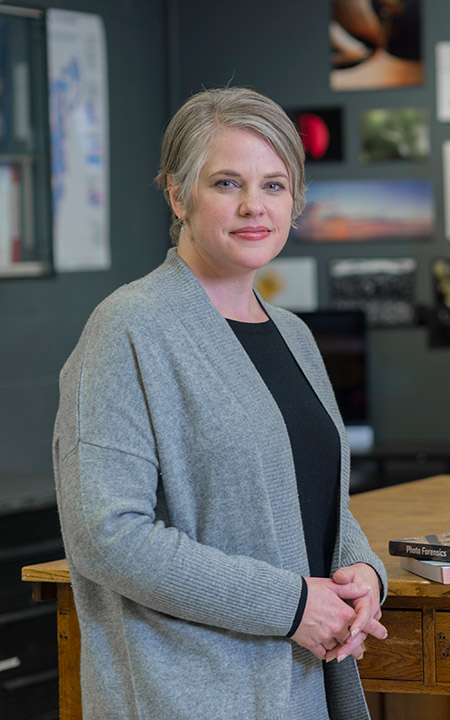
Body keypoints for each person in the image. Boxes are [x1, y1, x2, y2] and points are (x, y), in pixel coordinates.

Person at [53, 87, 388, 719]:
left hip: (300, 686)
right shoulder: (129, 327)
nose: (254, 207)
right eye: (227, 183)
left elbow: (316, 503)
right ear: (179, 196)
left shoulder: (293, 333)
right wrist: (289, 605)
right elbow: (107, 535)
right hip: (191, 693)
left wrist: (363, 573)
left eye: (274, 185)